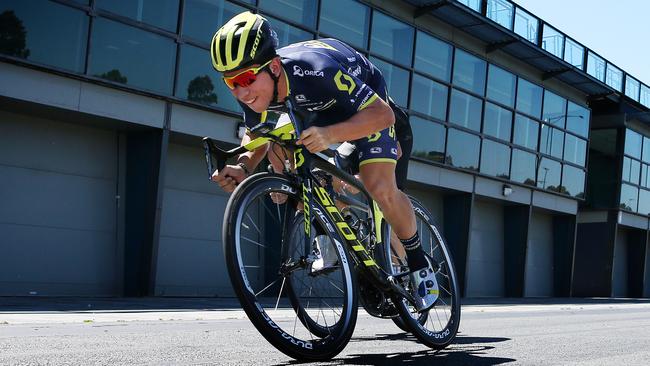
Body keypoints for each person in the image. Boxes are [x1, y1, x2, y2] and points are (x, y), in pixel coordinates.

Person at [210, 11, 436, 311]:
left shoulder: (314, 70)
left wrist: (330, 135)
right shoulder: (257, 94)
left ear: (274, 66)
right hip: (316, 112)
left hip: (366, 108)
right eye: (231, 83)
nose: (241, 91)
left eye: (247, 78)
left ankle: (418, 261)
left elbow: (383, 116)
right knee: (293, 163)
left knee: (379, 187)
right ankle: (334, 234)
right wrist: (243, 167)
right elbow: (257, 136)